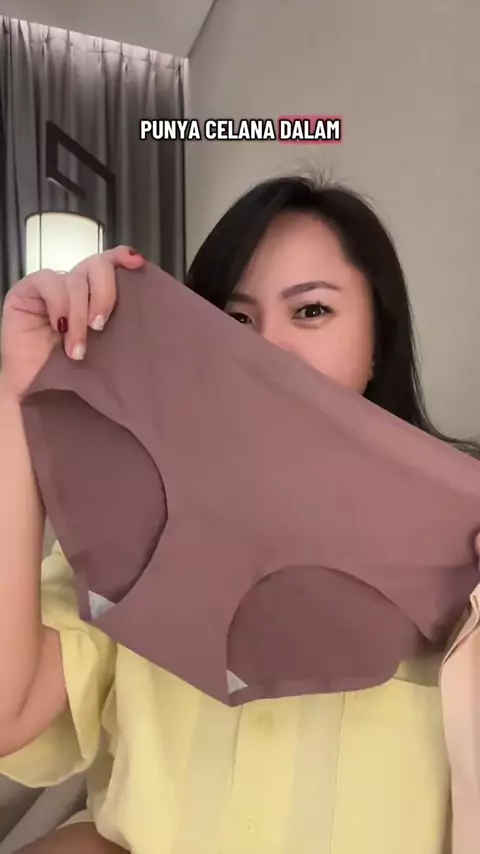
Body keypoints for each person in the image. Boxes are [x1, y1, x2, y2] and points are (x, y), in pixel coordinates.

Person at [0, 174, 477, 854]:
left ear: (378, 340)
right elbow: (10, 712)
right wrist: (21, 387)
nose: (264, 351)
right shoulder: (128, 528)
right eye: (234, 320)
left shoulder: (462, 545)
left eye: (311, 311)